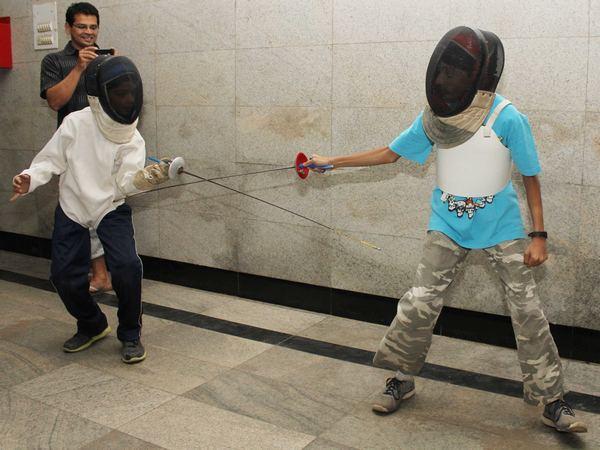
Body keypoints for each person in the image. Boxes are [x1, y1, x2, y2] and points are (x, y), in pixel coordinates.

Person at [305, 27, 587, 433]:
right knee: (419, 303)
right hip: (447, 223)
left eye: (456, 73)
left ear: (477, 76)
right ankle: (400, 380)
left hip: (501, 227)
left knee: (528, 311)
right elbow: (390, 153)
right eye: (445, 72)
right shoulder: (435, 117)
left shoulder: (507, 116)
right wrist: (332, 160)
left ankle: (553, 401)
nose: (447, 80)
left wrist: (539, 236)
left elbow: (530, 175)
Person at [13, 55, 172, 363]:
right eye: (119, 93)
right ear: (99, 96)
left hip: (109, 206)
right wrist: (29, 178)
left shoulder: (133, 139)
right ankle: (92, 324)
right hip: (73, 205)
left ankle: (129, 334)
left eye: (130, 93)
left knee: (126, 267)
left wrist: (144, 179)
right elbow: (50, 160)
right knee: (63, 276)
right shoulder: (75, 124)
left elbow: (125, 184)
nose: (126, 100)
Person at [40, 2, 113, 294]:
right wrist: (80, 67)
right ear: (69, 27)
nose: (88, 32)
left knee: (106, 210)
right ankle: (96, 272)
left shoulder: (105, 59)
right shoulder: (54, 61)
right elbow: (55, 101)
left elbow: (122, 102)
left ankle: (102, 273)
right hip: (73, 151)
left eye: (93, 27)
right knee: (79, 209)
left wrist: (116, 70)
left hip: (107, 146)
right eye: (82, 26)